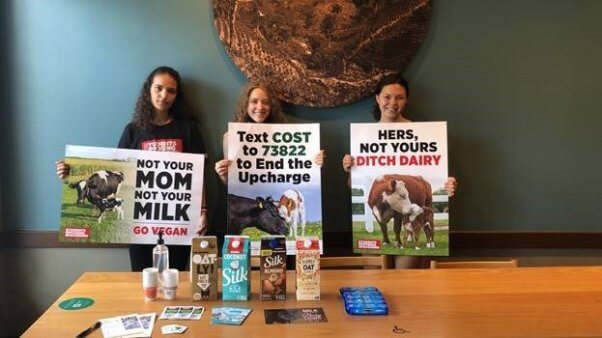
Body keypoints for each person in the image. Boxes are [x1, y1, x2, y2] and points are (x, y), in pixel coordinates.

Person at [56, 66, 207, 272]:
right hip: (139, 223)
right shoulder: (133, 130)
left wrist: (203, 211)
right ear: (148, 90)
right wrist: (72, 171)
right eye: (158, 88)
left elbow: (199, 175)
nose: (164, 95)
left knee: (176, 282)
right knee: (142, 282)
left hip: (179, 222)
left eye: (171, 91)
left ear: (177, 95)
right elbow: (112, 171)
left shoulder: (188, 129)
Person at [342, 74, 457, 268]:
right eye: (387, 97)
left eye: (399, 97)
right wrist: (350, 171)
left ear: (406, 100)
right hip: (383, 213)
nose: (393, 103)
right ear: (377, 98)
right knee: (373, 284)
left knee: (406, 279)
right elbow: (353, 187)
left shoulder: (424, 134)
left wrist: (447, 186)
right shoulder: (363, 137)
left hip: (409, 214)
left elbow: (434, 175)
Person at [214, 82, 324, 183]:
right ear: (246, 105)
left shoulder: (287, 136)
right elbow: (229, 183)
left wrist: (315, 162)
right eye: (254, 101)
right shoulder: (231, 137)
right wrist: (223, 174)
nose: (260, 107)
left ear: (271, 107)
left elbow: (300, 173)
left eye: (265, 102)